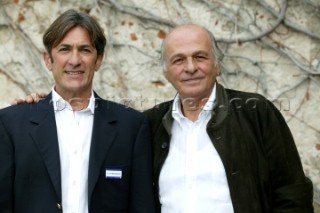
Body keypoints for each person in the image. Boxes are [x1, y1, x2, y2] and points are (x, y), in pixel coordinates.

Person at [12, 24, 314, 213]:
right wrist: (40, 107)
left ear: (217, 64)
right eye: (178, 60)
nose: (190, 67)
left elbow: (293, 194)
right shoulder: (150, 124)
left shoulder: (255, 112)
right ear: (166, 72)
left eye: (200, 57)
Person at [0, 9, 155, 213]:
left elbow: (142, 206)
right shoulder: (10, 124)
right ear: (48, 60)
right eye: (64, 49)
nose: (74, 60)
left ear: (98, 60)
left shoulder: (132, 126)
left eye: (85, 50)